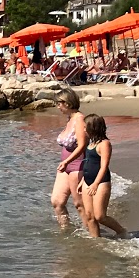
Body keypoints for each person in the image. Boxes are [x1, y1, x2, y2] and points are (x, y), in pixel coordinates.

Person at [78, 114, 128, 238]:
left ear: (93, 128)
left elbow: (104, 166)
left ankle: (121, 231)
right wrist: (83, 181)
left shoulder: (104, 144)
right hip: (87, 181)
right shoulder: (90, 143)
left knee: (100, 216)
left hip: (101, 182)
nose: (84, 129)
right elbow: (88, 163)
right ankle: (96, 242)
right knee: (90, 216)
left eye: (85, 127)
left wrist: (95, 184)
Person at [50, 89, 89, 230]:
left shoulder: (79, 119)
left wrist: (67, 161)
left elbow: (83, 144)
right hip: (65, 166)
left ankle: (91, 233)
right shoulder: (70, 119)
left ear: (67, 102)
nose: (58, 107)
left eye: (59, 103)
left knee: (79, 204)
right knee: (57, 201)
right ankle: (66, 230)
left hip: (77, 165)